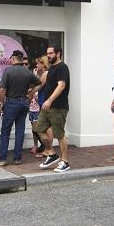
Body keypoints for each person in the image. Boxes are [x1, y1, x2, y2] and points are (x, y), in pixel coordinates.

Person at [0, 50, 41, 166]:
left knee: (5, 131)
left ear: (13, 58)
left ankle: (2, 158)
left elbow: (2, 90)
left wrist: (1, 104)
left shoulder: (8, 71)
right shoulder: (27, 72)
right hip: (24, 103)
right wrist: (30, 94)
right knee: (20, 131)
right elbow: (40, 83)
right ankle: (17, 158)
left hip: (11, 103)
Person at [35, 45, 71, 173]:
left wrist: (50, 100)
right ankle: (51, 153)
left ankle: (65, 162)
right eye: (47, 53)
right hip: (47, 106)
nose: (48, 56)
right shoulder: (51, 68)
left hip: (58, 107)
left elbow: (61, 86)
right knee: (39, 128)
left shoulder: (62, 67)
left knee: (60, 135)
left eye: (51, 53)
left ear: (58, 53)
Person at [29, 55, 49, 156]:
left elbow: (38, 85)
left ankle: (47, 149)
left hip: (44, 103)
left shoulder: (45, 74)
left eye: (38, 63)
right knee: (39, 128)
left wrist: (34, 75)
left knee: (40, 128)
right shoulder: (44, 74)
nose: (36, 65)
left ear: (43, 64)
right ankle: (45, 149)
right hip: (42, 102)